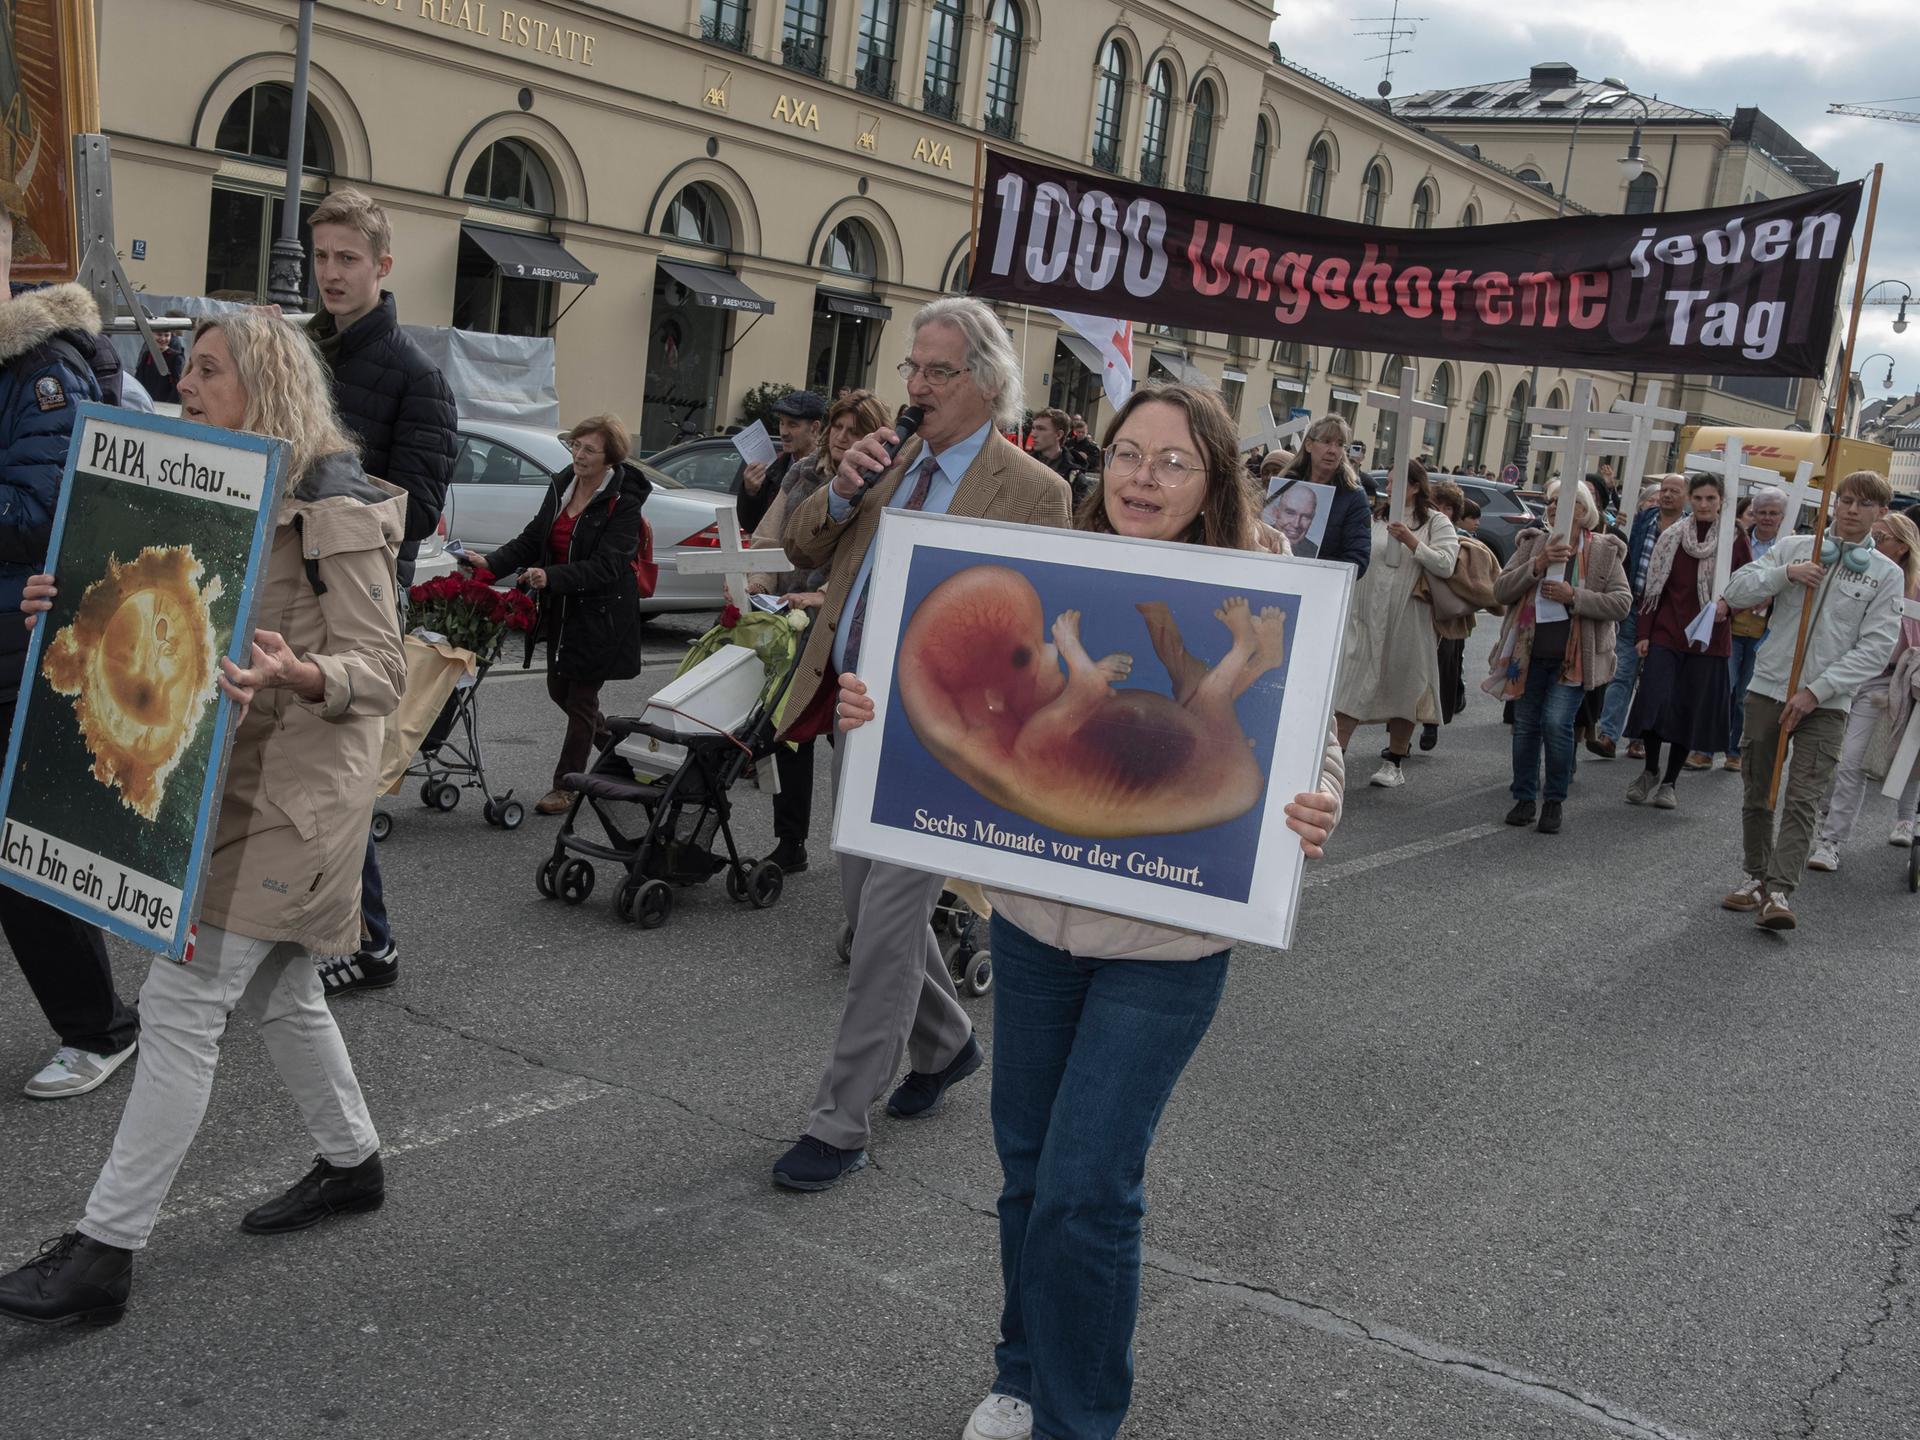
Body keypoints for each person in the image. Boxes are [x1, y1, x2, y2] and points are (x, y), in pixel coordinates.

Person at [833, 381, 1345, 1440]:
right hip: (1032, 927)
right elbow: (967, 726)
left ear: (1213, 480)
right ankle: (1022, 1370)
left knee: (1088, 1185)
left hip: (1166, 945)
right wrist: (874, 714)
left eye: (1171, 460)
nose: (1142, 477)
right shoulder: (1053, 559)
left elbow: (1311, 745)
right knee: (1027, 1165)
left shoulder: (1263, 584)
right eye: (1126, 452)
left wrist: (1318, 800)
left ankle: (1080, 1418)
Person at [0, 312, 405, 1326]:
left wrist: (300, 671)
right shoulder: (197, 475)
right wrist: (63, 600)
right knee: (282, 993)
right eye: (187, 366)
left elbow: (384, 670)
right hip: (216, 780)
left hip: (298, 796)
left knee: (181, 1005)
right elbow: (142, 609)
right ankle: (354, 1162)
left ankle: (103, 1253)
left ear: (263, 381)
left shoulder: (330, 501)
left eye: (210, 369)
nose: (186, 381)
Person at [768, 296, 1072, 1193]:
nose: (918, 386)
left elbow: (1034, 634)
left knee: (886, 931)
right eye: (912, 367)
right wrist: (842, 486)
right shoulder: (890, 463)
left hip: (942, 740)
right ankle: (946, 1045)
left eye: (938, 371)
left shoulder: (1033, 491)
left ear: (984, 383)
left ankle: (838, 1122)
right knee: (867, 912)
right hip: (858, 714)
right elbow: (802, 544)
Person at [301, 187, 458, 998]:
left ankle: (372, 943)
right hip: (293, 588)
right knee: (300, 770)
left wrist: (328, 485)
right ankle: (311, 926)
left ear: (382, 266)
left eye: (347, 259)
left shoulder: (415, 376)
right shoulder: (305, 353)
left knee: (342, 775)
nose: (331, 273)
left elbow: (421, 510)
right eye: (321, 256)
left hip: (361, 605)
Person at [0, 211, 141, 1101]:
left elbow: (37, 513)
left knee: (21, 859)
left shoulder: (39, 370)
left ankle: (100, 1030)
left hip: (16, 650)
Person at [1720, 471, 1903, 928]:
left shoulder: (1886, 574)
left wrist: (1816, 690)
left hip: (1828, 702)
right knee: (1758, 791)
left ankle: (1780, 891)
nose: (1851, 510)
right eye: (1845, 500)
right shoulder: (1795, 548)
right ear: (1834, 504)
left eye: (1864, 504)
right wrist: (1785, 575)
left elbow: (1877, 646)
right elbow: (1735, 592)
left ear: (1880, 513)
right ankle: (1755, 878)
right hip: (1768, 687)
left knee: (1803, 798)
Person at [461, 417, 649, 816]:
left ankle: (566, 786)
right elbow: (534, 537)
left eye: (589, 450)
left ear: (609, 458)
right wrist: (490, 563)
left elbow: (609, 565)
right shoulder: (562, 484)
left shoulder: (623, 500)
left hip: (601, 613)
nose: (579, 455)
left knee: (581, 698)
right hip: (561, 607)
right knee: (558, 691)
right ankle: (624, 756)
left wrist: (552, 576)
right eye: (576, 446)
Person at [745, 388, 890, 873]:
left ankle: (869, 846)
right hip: (792, 622)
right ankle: (791, 842)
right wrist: (758, 582)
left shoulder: (885, 485)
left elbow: (869, 556)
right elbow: (770, 532)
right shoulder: (803, 472)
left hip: (843, 628)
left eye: (856, 432)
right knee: (789, 735)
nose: (842, 440)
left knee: (850, 743)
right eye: (839, 429)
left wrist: (824, 593)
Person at [1487, 480, 1631, 833]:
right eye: (1551, 502)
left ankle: (1553, 801)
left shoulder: (1602, 551)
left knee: (1556, 724)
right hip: (1528, 654)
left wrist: (1574, 596)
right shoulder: (1534, 543)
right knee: (1525, 728)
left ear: (1585, 512)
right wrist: (1537, 565)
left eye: (1567, 503)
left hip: (1573, 659)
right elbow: (1500, 590)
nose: (1555, 508)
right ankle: (1523, 798)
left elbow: (1622, 603)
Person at [1623, 473, 1751, 810]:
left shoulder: (1734, 538)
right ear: (1689, 500)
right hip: (1667, 632)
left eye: (1711, 498)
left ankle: (1669, 782)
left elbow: (1748, 584)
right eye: (1698, 498)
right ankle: (1650, 769)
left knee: (1686, 711)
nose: (1705, 504)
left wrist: (1729, 606)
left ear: (1722, 501)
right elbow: (1655, 589)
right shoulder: (1673, 536)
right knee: (1652, 702)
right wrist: (1644, 634)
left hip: (1709, 639)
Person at [1334, 460, 1458, 787]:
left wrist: (1412, 541)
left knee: (1404, 685)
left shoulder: (1435, 522)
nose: (1389, 487)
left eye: (1396, 481)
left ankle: (1394, 760)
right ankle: (1335, 758)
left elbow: (1446, 564)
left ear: (1415, 486)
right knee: (1351, 683)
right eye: (1387, 481)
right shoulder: (1374, 517)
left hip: (1409, 613)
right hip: (1367, 611)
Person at [1809, 510, 1920, 869]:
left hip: (1886, 682)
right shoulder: (1856, 569)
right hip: (1841, 672)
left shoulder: (1916, 587)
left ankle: (1831, 842)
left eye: (1882, 537)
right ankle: (1823, 820)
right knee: (1825, 757)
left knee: (1853, 761)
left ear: (1902, 547)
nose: (1874, 542)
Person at [1590, 472, 1688, 760]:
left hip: (1668, 614)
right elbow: (1620, 549)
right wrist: (1615, 527)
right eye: (1664, 490)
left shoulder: (1689, 529)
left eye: (1673, 491)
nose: (1667, 495)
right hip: (1635, 606)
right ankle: (1608, 735)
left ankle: (1640, 738)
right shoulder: (1643, 520)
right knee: (1622, 672)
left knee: (1653, 679)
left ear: (1685, 497)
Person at [1422, 479, 1499, 751]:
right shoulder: (1418, 530)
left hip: (1449, 616)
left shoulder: (1461, 541)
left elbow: (1474, 583)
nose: (1440, 511)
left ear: (1455, 511)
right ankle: (1402, 733)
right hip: (1419, 609)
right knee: (1412, 667)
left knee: (1444, 666)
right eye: (1436, 505)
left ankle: (1433, 723)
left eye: (1447, 507)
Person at [1721, 486, 1788, 773]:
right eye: (1761, 512)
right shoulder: (1738, 541)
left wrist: (1773, 592)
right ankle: (1703, 747)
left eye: (1773, 513)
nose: (1767, 518)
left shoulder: (1790, 547)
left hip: (1765, 632)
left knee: (1746, 695)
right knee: (1725, 687)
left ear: (1783, 516)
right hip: (1733, 627)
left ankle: (1734, 751)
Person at [1272, 416, 1373, 572]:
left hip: (1321, 589)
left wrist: (1313, 568)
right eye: (1326, 442)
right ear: (1309, 445)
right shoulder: (1285, 483)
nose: (1333, 450)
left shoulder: (1353, 496)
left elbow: (1357, 559)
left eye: (1340, 444)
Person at [738, 390, 823, 534]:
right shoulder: (772, 466)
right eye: (781, 423)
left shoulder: (829, 469)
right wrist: (750, 492)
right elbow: (751, 526)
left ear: (814, 428)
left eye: (792, 425)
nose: (783, 432)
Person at [1026, 406, 1083, 504]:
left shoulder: (1074, 476)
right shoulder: (1023, 464)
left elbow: (1075, 513)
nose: (1033, 434)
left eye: (1041, 429)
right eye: (1033, 428)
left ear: (1058, 435)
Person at [1260, 470, 1321, 558]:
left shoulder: (1313, 550)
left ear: (1312, 519)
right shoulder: (1257, 539)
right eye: (1290, 513)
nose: (1296, 524)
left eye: (1306, 516)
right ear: (1276, 512)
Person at [132, 311, 186, 404]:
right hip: (147, 402)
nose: (163, 338)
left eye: (166, 335)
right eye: (159, 334)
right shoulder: (147, 355)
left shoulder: (176, 358)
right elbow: (139, 379)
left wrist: (169, 405)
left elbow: (178, 386)